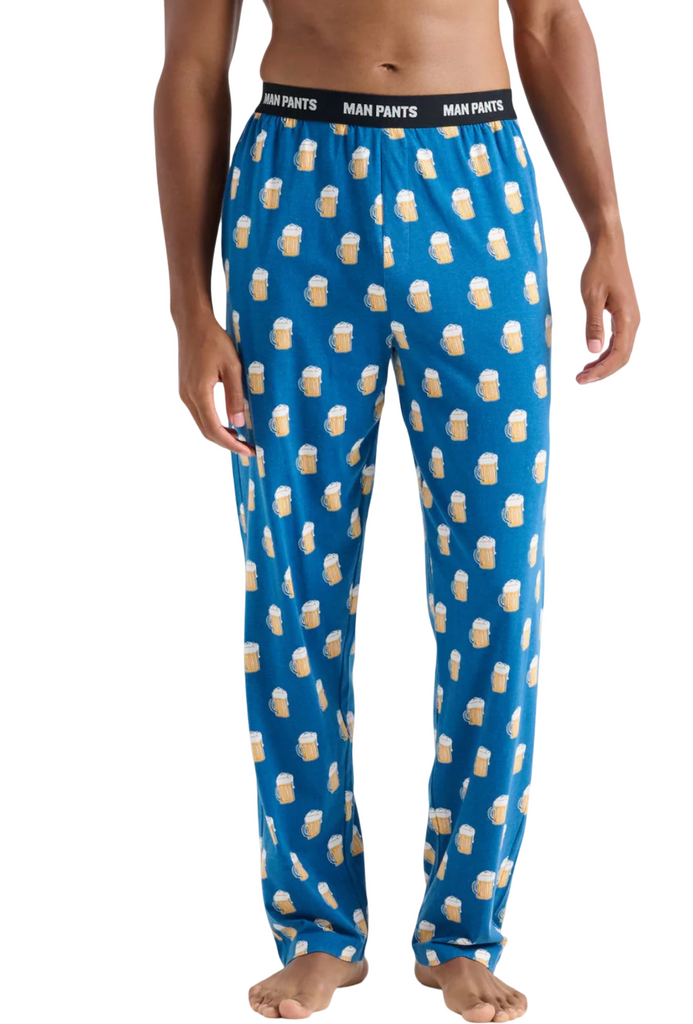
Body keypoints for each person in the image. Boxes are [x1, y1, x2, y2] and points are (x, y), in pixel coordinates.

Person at [154, 0, 638, 1019]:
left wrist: (605, 226)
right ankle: (316, 930)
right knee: (291, 586)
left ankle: (463, 930)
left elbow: (550, 21)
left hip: (475, 186)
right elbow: (192, 70)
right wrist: (189, 310)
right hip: (295, 190)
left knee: (497, 590)